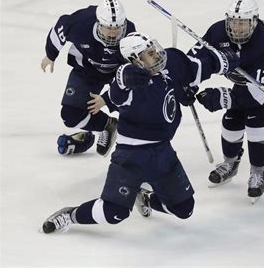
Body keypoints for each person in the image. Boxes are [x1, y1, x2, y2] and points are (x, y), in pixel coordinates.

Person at [41, 32, 240, 234]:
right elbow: (119, 88)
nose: (157, 55)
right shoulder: (130, 81)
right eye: (149, 54)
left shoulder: (170, 62)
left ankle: (144, 197)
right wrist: (123, 77)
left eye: (154, 50)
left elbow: (196, 68)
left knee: (184, 209)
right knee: (114, 213)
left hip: (163, 150)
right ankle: (70, 214)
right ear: (135, 61)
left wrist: (222, 62)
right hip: (131, 156)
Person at [189, 0, 264, 203]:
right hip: (250, 77)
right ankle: (231, 162)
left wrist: (225, 98)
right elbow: (194, 60)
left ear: (254, 21)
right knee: (231, 120)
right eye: (233, 22)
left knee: (257, 119)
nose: (237, 28)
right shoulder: (217, 31)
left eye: (242, 23)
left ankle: (258, 172)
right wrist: (187, 82)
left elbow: (257, 93)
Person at [40, 0, 136, 157]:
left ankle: (141, 156)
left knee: (138, 115)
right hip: (86, 71)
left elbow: (130, 75)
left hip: (117, 75)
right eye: (108, 28)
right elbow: (60, 27)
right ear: (99, 23)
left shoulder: (130, 35)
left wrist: (106, 99)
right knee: (70, 116)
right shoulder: (81, 23)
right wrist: (51, 55)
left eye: (117, 28)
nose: (113, 33)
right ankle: (107, 125)